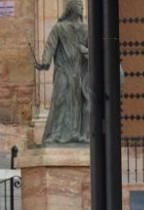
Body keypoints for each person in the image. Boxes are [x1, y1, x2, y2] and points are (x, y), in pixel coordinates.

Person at [36, 0, 89, 144]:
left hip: (78, 72)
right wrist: (44, 63)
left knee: (77, 101)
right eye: (79, 6)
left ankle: (75, 133)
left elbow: (94, 51)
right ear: (71, 8)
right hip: (62, 70)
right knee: (59, 99)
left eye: (82, 6)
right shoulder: (59, 28)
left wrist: (86, 51)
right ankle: (56, 133)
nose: (81, 8)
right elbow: (50, 46)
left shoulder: (86, 30)